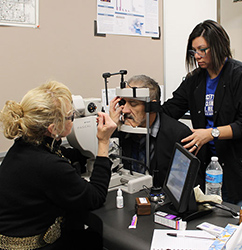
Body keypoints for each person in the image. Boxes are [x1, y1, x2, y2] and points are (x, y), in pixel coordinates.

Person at [0, 81, 117, 250]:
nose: (74, 119)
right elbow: (95, 196)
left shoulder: (25, 145)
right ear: (54, 128)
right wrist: (104, 142)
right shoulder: (48, 166)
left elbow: (62, 154)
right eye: (71, 116)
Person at [161, 19, 242, 206]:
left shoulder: (241, 75)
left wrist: (211, 134)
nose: (197, 56)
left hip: (239, 170)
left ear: (219, 46)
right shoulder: (194, 80)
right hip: (208, 169)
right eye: (194, 51)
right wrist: (142, 109)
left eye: (203, 50)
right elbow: (170, 109)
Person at [109, 75, 192, 187]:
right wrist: (111, 129)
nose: (125, 110)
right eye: (123, 103)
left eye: (133, 104)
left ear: (152, 106)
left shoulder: (178, 135)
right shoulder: (121, 132)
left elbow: (183, 187)